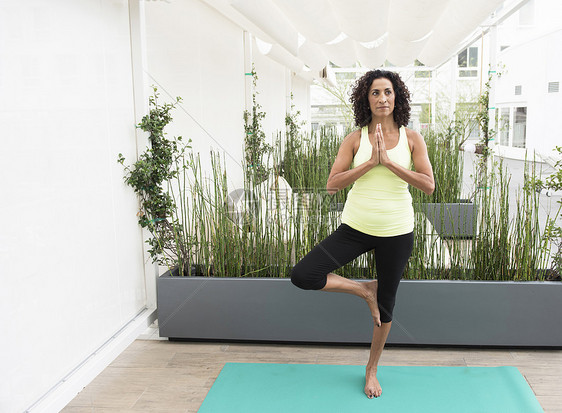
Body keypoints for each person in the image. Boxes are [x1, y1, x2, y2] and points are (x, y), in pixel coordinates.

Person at [290, 69, 435, 399]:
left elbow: (428, 185)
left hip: (397, 232)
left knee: (386, 307)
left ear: (396, 97)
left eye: (387, 92)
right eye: (375, 93)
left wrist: (389, 162)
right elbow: (331, 184)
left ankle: (371, 370)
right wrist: (370, 162)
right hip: (355, 228)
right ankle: (363, 289)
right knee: (303, 274)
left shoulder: (412, 138)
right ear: (366, 100)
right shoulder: (354, 139)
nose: (382, 98)